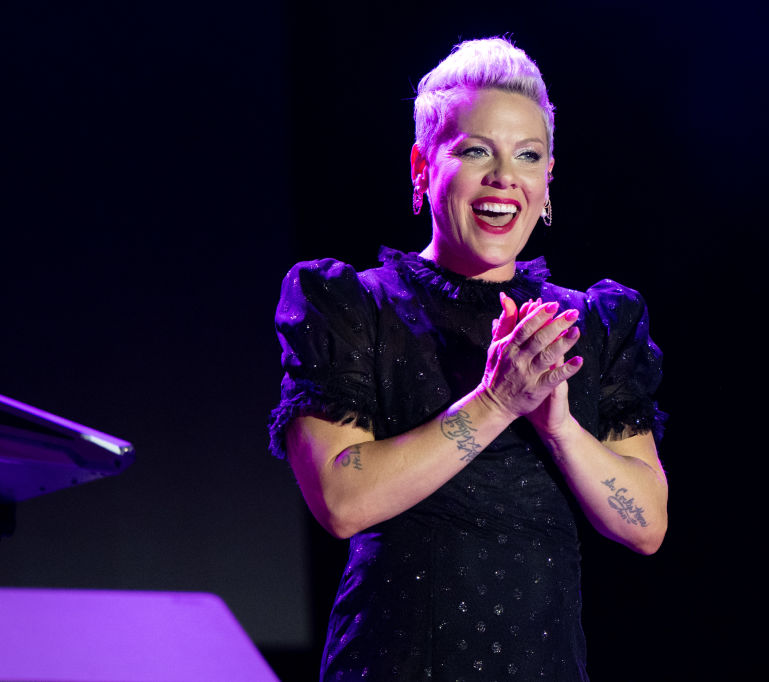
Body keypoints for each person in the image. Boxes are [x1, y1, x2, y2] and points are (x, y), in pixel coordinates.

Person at [269, 37, 668, 681]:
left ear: (547, 180)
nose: (504, 177)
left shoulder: (593, 324)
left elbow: (645, 525)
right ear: (422, 167)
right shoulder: (355, 306)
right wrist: (496, 402)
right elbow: (341, 501)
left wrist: (559, 428)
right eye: (476, 150)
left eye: (527, 155)